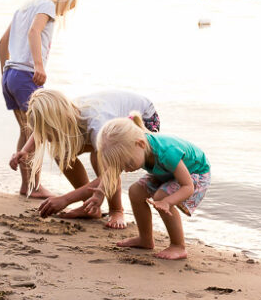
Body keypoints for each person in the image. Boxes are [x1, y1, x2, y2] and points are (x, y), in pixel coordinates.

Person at [11, 89, 160, 228]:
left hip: (142, 119)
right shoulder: (67, 115)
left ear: (58, 123)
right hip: (110, 123)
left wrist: (65, 199)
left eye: (48, 133)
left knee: (100, 159)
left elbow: (111, 173)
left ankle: (116, 210)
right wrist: (24, 151)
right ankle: (89, 206)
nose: (45, 138)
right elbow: (39, 131)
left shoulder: (97, 124)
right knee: (61, 153)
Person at [0, 0, 78, 197]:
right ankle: (34, 186)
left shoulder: (25, 6)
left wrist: (4, 73)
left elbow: (3, 42)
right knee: (38, 132)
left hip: (11, 74)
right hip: (25, 75)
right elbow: (34, 31)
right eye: (70, 5)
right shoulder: (47, 4)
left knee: (26, 131)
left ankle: (27, 186)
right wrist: (38, 66)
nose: (66, 11)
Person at [96, 113, 210, 260]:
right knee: (135, 191)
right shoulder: (135, 148)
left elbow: (188, 187)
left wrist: (167, 202)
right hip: (167, 171)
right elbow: (111, 174)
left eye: (128, 163)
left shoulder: (167, 152)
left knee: (161, 196)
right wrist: (98, 194)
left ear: (141, 144)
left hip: (195, 173)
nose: (125, 169)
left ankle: (178, 246)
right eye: (121, 165)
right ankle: (145, 239)